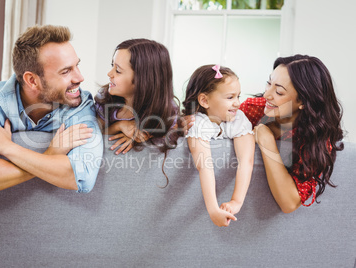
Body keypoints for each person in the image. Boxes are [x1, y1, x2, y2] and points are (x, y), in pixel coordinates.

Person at [185, 55, 344, 213]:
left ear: (303, 101)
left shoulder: (317, 138)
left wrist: (266, 139)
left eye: (279, 92)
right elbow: (212, 117)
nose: (267, 94)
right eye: (269, 83)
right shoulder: (254, 109)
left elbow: (289, 203)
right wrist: (183, 123)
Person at [0, 25, 103, 197]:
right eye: (66, 71)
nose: (80, 77)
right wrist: (50, 154)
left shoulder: (79, 103)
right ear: (32, 80)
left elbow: (82, 177)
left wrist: (7, 147)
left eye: (76, 65)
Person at [183, 64, 255, 227]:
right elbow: (205, 166)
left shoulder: (238, 119)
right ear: (205, 100)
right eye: (230, 98)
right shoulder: (197, 123)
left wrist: (236, 201)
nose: (237, 103)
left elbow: (247, 160)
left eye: (238, 96)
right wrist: (213, 209)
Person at [94, 38, 181, 165]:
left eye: (118, 70)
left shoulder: (167, 109)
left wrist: (140, 137)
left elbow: (171, 134)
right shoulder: (105, 99)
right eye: (112, 66)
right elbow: (94, 135)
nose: (109, 73)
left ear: (143, 80)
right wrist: (119, 126)